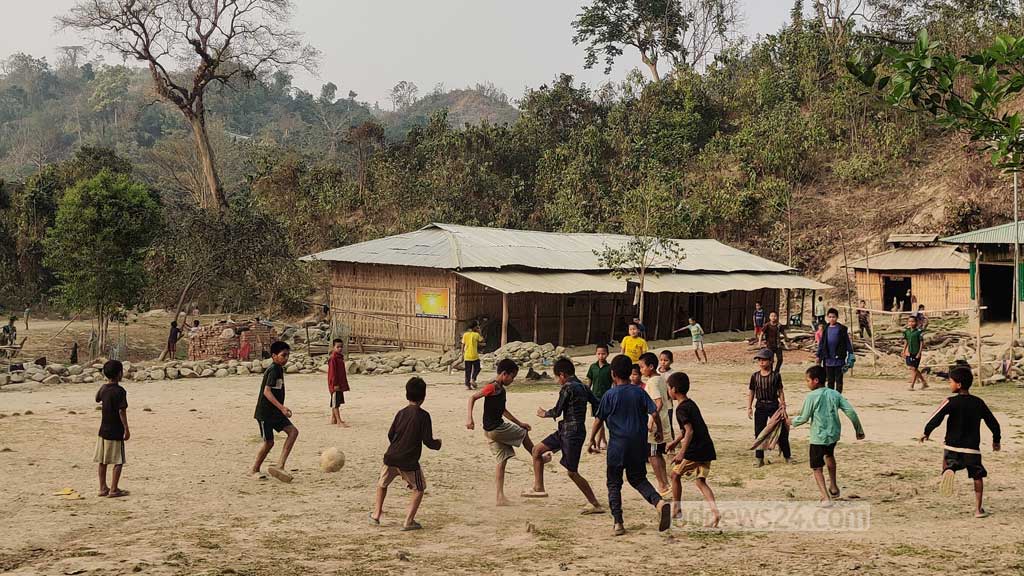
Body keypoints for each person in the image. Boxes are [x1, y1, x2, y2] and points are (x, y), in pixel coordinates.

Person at [587, 354, 672, 536]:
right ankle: (659, 502)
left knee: (614, 483)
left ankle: (618, 522)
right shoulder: (639, 392)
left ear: (613, 374)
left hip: (617, 446)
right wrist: (658, 430)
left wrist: (591, 439)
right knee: (638, 478)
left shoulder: (610, 395)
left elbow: (598, 419)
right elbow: (654, 413)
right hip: (638, 444)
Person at [920, 365, 1001, 518]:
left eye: (950, 381)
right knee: (977, 476)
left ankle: (948, 469)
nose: (949, 384)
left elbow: (936, 417)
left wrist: (927, 431)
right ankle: (978, 509)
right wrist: (996, 440)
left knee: (948, 461)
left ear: (958, 385)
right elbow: (993, 423)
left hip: (952, 446)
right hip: (972, 449)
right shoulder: (978, 402)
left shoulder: (950, 401)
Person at [527, 359, 604, 513]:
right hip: (569, 431)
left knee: (572, 472)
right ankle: (538, 487)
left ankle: (595, 504)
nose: (557, 381)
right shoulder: (583, 386)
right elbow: (598, 404)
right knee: (536, 450)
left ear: (562, 375)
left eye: (557, 377)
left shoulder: (567, 387)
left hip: (571, 434)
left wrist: (544, 413)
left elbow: (557, 411)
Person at [466, 359, 544, 506]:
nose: (512, 380)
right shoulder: (492, 387)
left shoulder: (500, 389)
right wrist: (470, 418)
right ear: (504, 374)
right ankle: (537, 456)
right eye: (512, 377)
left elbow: (503, 410)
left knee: (502, 461)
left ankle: (499, 497)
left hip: (489, 430)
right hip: (496, 429)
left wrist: (519, 423)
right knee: (523, 433)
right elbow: (473, 397)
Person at [371, 377, 442, 530]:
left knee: (382, 484)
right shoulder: (424, 416)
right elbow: (428, 441)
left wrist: (397, 445)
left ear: (407, 395)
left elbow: (391, 434)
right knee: (420, 488)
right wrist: (438, 444)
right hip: (408, 460)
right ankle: (408, 521)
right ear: (423, 397)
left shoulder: (401, 413)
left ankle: (376, 513)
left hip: (391, 456)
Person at [791, 366, 865, 506]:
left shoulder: (811, 396)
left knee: (817, 467)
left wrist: (791, 422)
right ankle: (834, 487)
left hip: (818, 436)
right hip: (833, 434)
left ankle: (825, 497)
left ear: (815, 380)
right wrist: (858, 430)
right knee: (829, 455)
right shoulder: (835, 394)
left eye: (807, 380)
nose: (807, 383)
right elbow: (851, 412)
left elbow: (804, 418)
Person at [666, 372, 720, 527]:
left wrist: (681, 452)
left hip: (696, 450)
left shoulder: (681, 409)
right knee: (700, 481)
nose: (668, 391)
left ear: (674, 389)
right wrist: (675, 442)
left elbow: (689, 431)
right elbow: (686, 430)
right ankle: (715, 513)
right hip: (707, 448)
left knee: (674, 475)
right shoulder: (691, 404)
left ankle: (677, 509)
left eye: (668, 388)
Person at [250, 341, 298, 483]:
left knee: (293, 432)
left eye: (288, 355)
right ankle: (254, 470)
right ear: (274, 356)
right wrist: (282, 407)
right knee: (269, 443)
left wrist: (280, 409)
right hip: (265, 413)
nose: (286, 358)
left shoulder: (279, 369)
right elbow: (267, 391)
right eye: (283, 355)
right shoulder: (273, 370)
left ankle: (280, 466)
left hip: (276, 412)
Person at [748, 349, 790, 467]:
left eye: (764, 360)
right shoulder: (755, 376)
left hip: (773, 405)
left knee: (781, 431)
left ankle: (787, 456)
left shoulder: (776, 376)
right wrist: (749, 407)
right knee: (759, 433)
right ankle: (759, 459)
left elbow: (780, 391)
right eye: (759, 360)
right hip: (760, 406)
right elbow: (751, 391)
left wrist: (783, 405)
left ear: (771, 361)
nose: (761, 362)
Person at [95, 360, 130, 498]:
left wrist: (103, 386)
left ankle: (102, 487)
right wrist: (126, 428)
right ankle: (114, 489)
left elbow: (97, 399)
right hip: (116, 430)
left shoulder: (104, 388)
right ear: (120, 374)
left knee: (102, 460)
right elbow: (122, 411)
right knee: (118, 461)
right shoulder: (120, 391)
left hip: (103, 430)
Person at [639, 352, 671, 496]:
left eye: (642, 367)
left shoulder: (652, 382)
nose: (641, 370)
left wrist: (652, 420)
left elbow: (658, 403)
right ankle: (665, 483)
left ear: (651, 367)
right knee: (658, 453)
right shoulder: (661, 378)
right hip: (663, 419)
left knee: (653, 455)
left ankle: (662, 484)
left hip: (656, 422)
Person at [816, 308, 853, 393]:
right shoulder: (826, 329)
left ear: (837, 317)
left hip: (839, 359)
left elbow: (847, 342)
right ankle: (830, 396)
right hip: (828, 359)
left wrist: (851, 354)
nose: (832, 319)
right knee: (830, 380)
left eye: (833, 317)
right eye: (830, 317)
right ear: (827, 317)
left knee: (839, 380)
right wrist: (818, 355)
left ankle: (838, 397)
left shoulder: (842, 329)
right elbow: (822, 343)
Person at [585, 344, 613, 451]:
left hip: (606, 398)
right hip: (594, 398)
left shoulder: (610, 368)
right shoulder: (593, 367)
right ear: (596, 354)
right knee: (598, 420)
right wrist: (586, 394)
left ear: (607, 354)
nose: (601, 356)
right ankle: (602, 441)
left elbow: (614, 383)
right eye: (599, 354)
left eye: (603, 354)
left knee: (602, 420)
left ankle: (598, 442)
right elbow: (589, 382)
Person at [328, 338, 350, 427]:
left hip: (339, 383)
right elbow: (332, 373)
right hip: (335, 384)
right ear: (333, 347)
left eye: (341, 347)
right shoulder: (333, 358)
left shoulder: (339, 357)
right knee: (335, 402)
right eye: (338, 347)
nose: (340, 348)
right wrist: (334, 384)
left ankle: (333, 418)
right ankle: (338, 421)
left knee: (337, 401)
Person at [903, 315, 928, 391]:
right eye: (909, 321)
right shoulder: (906, 331)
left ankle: (912, 385)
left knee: (914, 368)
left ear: (916, 322)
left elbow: (921, 343)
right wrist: (904, 350)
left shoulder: (919, 332)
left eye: (913, 321)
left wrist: (919, 353)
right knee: (913, 368)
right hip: (909, 352)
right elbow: (906, 341)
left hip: (916, 352)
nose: (911, 323)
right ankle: (924, 382)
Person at [462, 321, 484, 390]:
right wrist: (479, 331)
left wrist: (462, 353)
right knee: (478, 368)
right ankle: (473, 379)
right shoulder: (476, 335)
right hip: (474, 355)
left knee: (467, 371)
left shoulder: (465, 334)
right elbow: (481, 340)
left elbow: (463, 344)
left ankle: (467, 385)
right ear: (475, 327)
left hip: (467, 355)